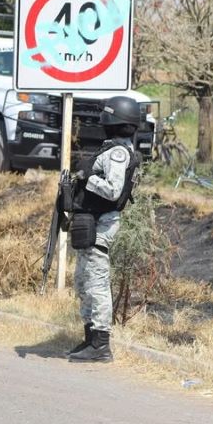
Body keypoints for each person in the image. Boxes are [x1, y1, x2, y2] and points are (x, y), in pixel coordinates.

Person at [67, 96, 142, 363]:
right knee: (84, 282)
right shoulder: (112, 149)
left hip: (102, 226)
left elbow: (111, 190)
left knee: (97, 284)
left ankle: (100, 344)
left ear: (113, 121)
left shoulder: (118, 154)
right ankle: (90, 338)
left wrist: (87, 178)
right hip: (93, 224)